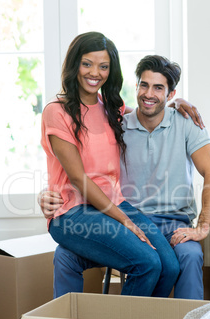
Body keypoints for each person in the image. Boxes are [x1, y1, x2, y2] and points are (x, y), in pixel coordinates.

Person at [41, 31, 182, 299]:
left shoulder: (111, 108)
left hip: (114, 203)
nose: (95, 72)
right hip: (72, 213)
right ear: (74, 65)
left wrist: (175, 103)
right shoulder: (56, 112)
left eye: (103, 66)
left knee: (169, 266)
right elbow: (79, 179)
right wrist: (124, 221)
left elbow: (148, 112)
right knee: (147, 263)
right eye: (87, 64)